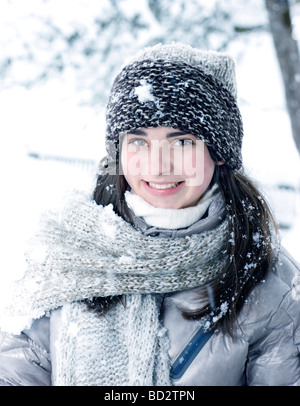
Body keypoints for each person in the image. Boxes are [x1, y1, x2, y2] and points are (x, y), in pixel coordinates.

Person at [0, 43, 299, 386]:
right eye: (138, 141)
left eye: (181, 142)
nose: (157, 166)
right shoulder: (65, 256)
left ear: (218, 152)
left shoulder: (268, 281)